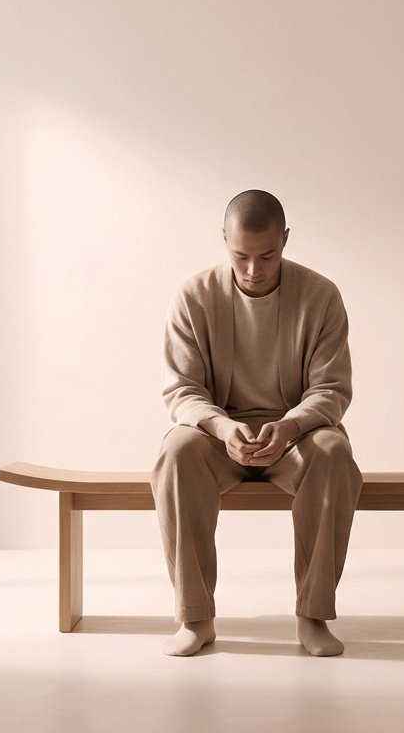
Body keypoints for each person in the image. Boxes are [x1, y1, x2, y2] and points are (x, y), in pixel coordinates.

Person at [151, 189, 363, 657]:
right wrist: (222, 427)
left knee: (334, 453)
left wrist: (290, 426)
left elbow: (331, 389)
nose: (253, 269)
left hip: (296, 438)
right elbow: (181, 389)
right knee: (176, 452)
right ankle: (195, 617)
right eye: (241, 256)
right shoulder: (193, 297)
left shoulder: (321, 296)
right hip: (218, 439)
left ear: (285, 239)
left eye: (267, 255)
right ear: (224, 239)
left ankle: (313, 616)